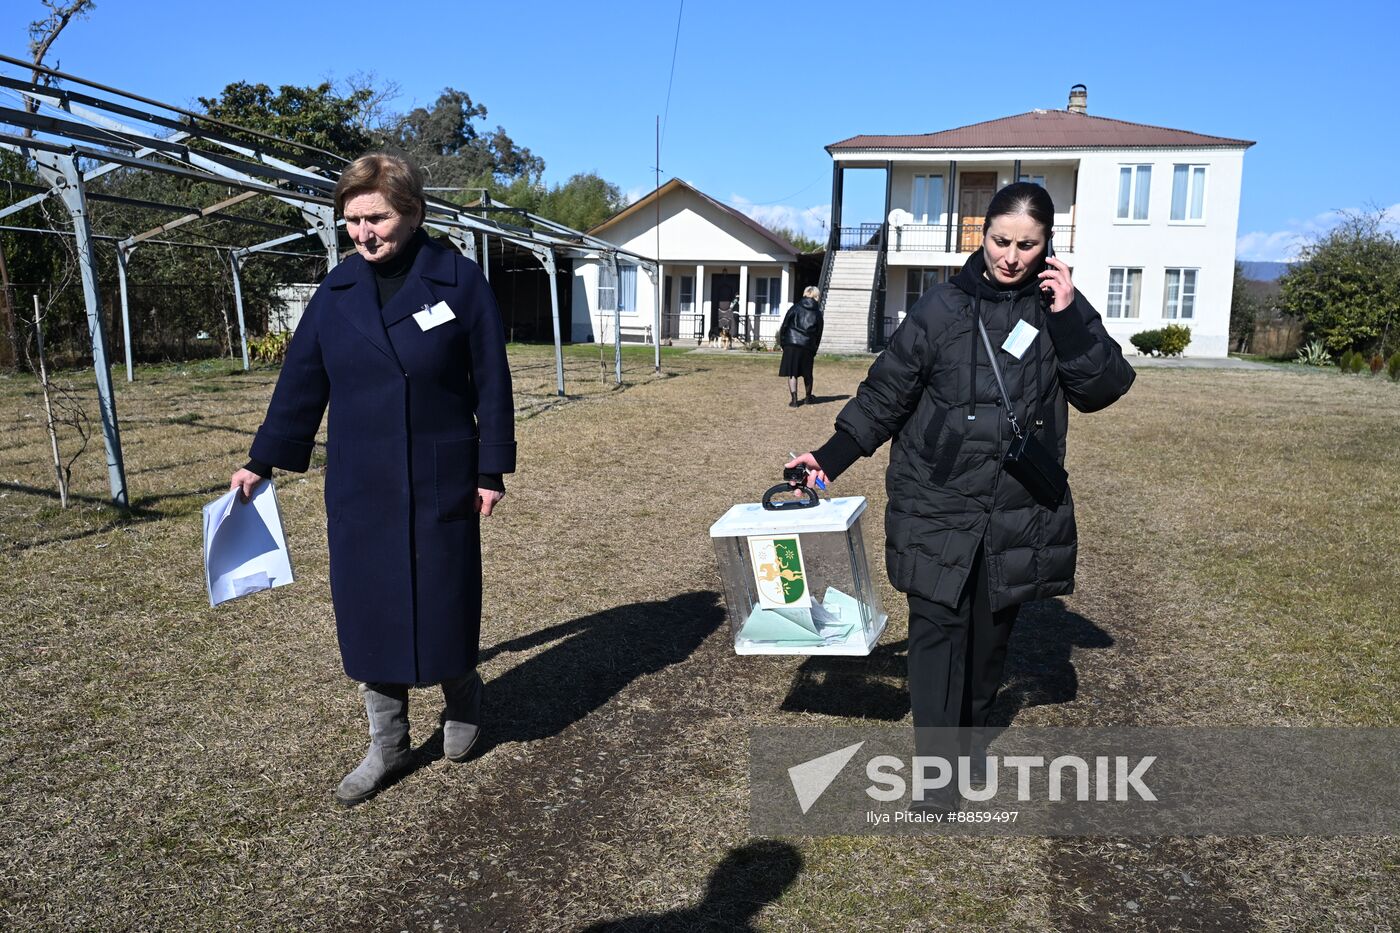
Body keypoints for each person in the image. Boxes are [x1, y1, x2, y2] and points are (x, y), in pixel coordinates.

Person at [787, 183, 1134, 771]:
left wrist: (1070, 315)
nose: (1011, 256)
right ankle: (938, 772)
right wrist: (828, 458)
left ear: (1048, 246)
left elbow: (1101, 389)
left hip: (1017, 506)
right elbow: (885, 395)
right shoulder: (941, 309)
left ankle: (966, 741)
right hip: (936, 497)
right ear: (983, 236)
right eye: (1001, 240)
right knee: (935, 634)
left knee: (989, 641)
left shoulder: (1058, 310)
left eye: (1028, 244)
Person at [228, 152, 516, 807]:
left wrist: (489, 466)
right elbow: (300, 384)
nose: (363, 232)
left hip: (441, 476)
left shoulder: (459, 281)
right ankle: (387, 741)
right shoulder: (335, 295)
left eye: (377, 217)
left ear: (412, 212)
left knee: (444, 597)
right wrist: (260, 459)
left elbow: (491, 380)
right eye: (352, 220)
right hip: (361, 485)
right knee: (368, 613)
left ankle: (463, 694)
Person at [777, 286, 824, 406]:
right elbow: (818, 334)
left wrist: (783, 343)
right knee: (807, 373)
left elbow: (785, 326)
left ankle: (794, 400)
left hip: (791, 343)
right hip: (807, 345)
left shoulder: (795, 307)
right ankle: (808, 398)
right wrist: (814, 349)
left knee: (792, 372)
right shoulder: (818, 313)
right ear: (816, 296)